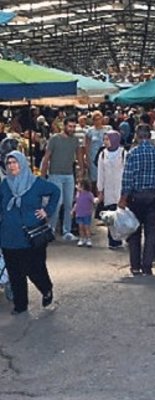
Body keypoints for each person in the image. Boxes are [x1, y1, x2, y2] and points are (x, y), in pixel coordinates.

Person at [0, 151, 61, 315]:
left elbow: (55, 191)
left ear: (22, 163)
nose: (12, 166)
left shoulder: (35, 183)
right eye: (9, 163)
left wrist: (47, 211)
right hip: (9, 236)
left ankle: (46, 289)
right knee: (14, 273)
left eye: (15, 162)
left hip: (32, 236)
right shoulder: (5, 184)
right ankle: (20, 305)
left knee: (34, 269)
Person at [118, 124, 155, 276]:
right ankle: (147, 265)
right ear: (149, 136)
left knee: (134, 230)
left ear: (136, 136)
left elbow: (127, 177)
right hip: (154, 196)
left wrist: (123, 197)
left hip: (136, 197)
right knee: (152, 231)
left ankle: (135, 266)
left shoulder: (132, 153)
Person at [41, 116, 84, 241]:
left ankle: (67, 230)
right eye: (70, 126)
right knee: (57, 203)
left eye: (73, 126)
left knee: (69, 203)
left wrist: (81, 171)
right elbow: (46, 157)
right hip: (55, 175)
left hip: (69, 175)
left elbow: (79, 155)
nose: (72, 129)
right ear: (64, 126)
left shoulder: (75, 140)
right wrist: (43, 176)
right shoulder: (54, 139)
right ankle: (51, 229)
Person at [96, 131, 126, 249]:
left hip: (121, 189)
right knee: (110, 216)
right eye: (105, 139)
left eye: (107, 139)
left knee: (121, 215)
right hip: (108, 190)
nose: (105, 142)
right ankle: (112, 240)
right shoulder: (103, 154)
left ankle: (123, 237)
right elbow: (100, 173)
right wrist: (100, 190)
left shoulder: (123, 153)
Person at [84, 110, 114, 186]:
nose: (98, 121)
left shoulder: (108, 129)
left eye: (99, 119)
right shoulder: (89, 131)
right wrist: (87, 158)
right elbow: (86, 146)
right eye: (95, 119)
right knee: (95, 179)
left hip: (106, 156)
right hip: (93, 157)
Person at [72, 179, 95, 247]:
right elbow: (77, 203)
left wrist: (95, 201)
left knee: (87, 227)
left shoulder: (89, 194)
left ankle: (88, 239)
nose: (77, 186)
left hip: (87, 214)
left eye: (79, 185)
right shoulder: (78, 194)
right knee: (80, 227)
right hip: (79, 214)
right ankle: (82, 239)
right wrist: (73, 210)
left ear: (83, 186)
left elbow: (93, 201)